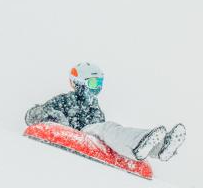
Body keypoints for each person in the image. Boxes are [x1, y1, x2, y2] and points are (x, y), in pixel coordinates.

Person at [25, 62, 186, 162]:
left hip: (93, 139)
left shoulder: (95, 108)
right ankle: (142, 142)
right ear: (79, 83)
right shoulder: (65, 100)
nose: (98, 88)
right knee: (106, 129)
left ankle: (159, 148)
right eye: (94, 83)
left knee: (111, 132)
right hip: (79, 135)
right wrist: (56, 117)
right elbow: (33, 116)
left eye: (100, 83)